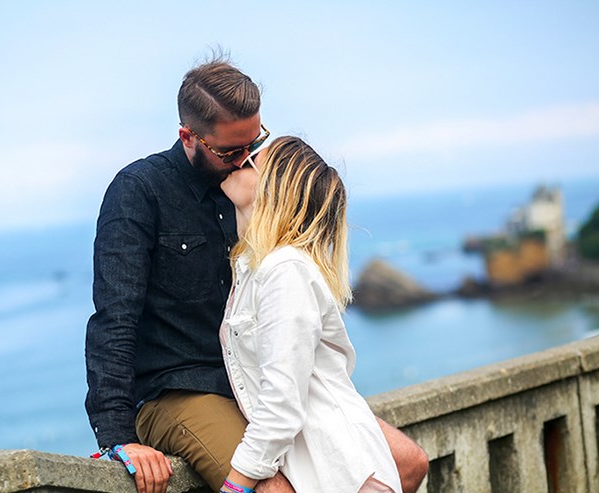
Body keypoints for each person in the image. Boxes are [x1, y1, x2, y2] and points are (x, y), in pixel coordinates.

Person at [85, 57, 428, 493]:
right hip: (183, 389)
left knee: (408, 463)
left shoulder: (254, 191)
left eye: (254, 144)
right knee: (273, 490)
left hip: (259, 382)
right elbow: (115, 317)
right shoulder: (140, 191)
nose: (243, 160)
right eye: (230, 152)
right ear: (188, 137)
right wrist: (118, 436)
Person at [218, 137, 401, 493]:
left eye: (251, 158)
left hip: (348, 479)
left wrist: (235, 487)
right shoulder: (254, 268)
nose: (238, 159)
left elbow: (281, 405)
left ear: (272, 188)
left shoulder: (284, 271)